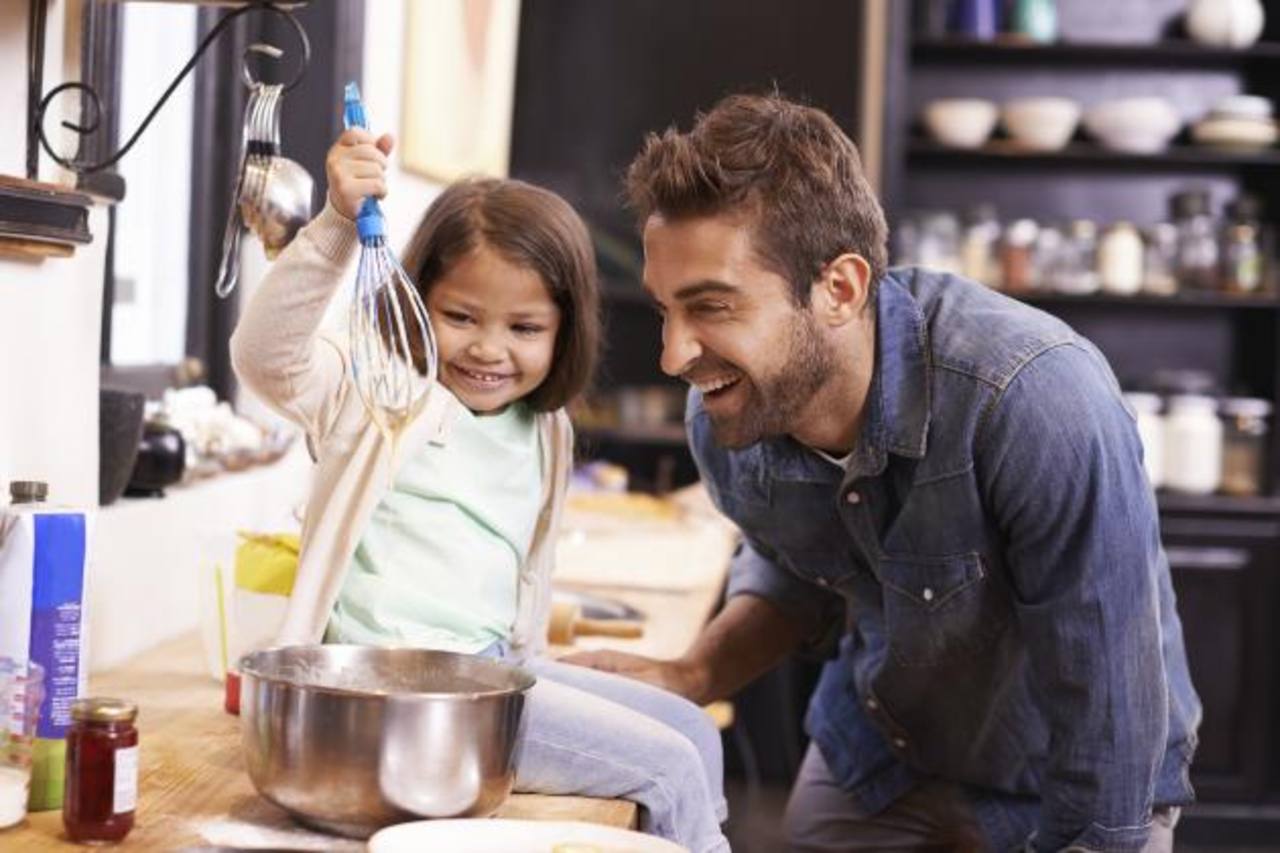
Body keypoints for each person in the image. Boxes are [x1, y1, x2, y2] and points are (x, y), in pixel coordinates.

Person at [565, 93, 1201, 852]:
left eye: (713, 307)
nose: (675, 355)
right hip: (884, 745)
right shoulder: (729, 414)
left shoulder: (1033, 397)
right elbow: (795, 565)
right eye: (669, 309)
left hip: (1073, 770)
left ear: (840, 288)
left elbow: (1109, 710)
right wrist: (694, 673)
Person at [229, 128, 729, 852]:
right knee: (671, 765)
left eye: (524, 326)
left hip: (493, 675)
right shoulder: (380, 394)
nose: (490, 349)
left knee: (690, 728)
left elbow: (517, 575)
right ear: (415, 298)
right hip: (395, 695)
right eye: (461, 316)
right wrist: (338, 222)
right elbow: (264, 355)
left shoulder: (546, 426)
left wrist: (534, 659)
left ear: (565, 330)